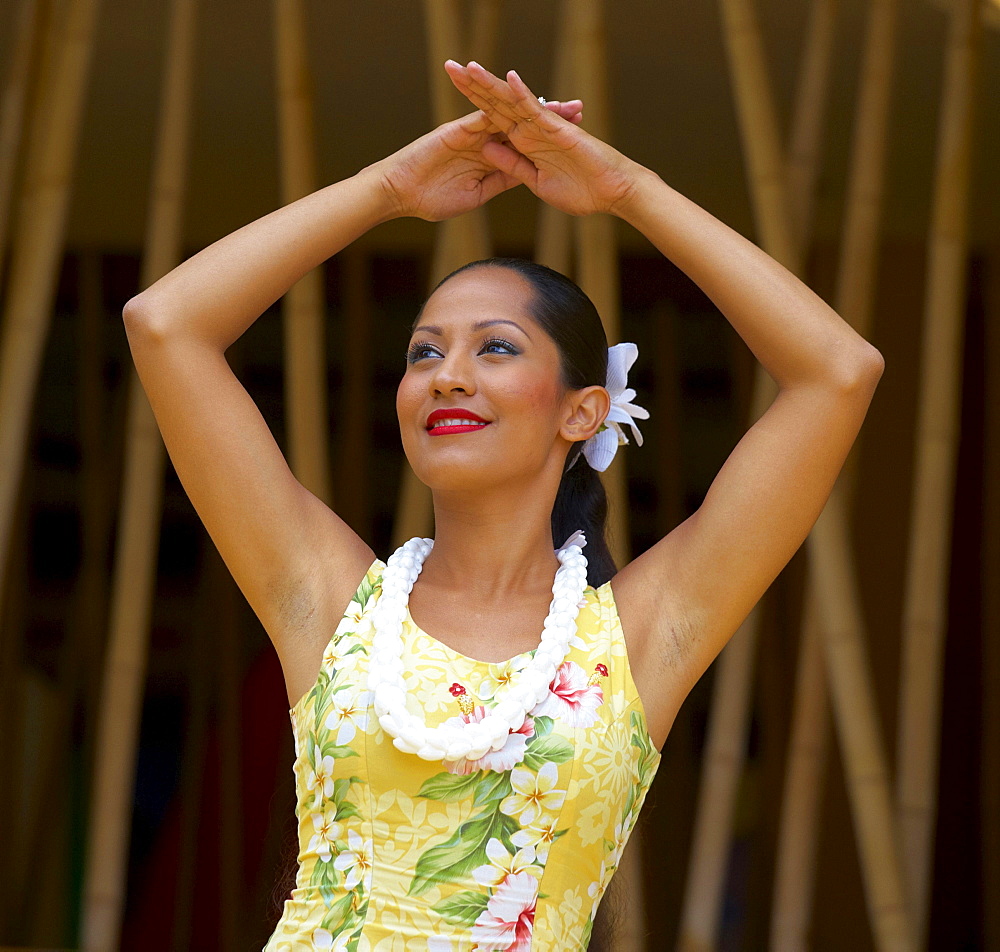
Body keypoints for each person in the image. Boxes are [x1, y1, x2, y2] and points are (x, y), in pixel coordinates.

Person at [122, 60, 883, 952]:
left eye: (495, 348)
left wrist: (629, 190)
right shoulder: (332, 606)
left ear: (583, 408)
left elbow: (839, 372)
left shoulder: (638, 640)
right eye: (423, 352)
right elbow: (165, 324)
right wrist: (387, 189)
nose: (448, 373)